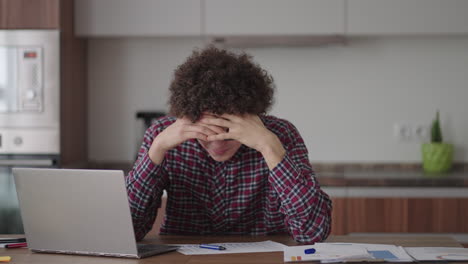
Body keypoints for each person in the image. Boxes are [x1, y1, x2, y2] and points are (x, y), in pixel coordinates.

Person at [125, 46, 332, 244]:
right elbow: (128, 231)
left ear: (251, 115)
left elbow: (313, 232)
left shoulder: (279, 135)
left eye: (228, 134)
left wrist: (269, 147)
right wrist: (157, 149)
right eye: (206, 134)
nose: (216, 144)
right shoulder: (162, 136)